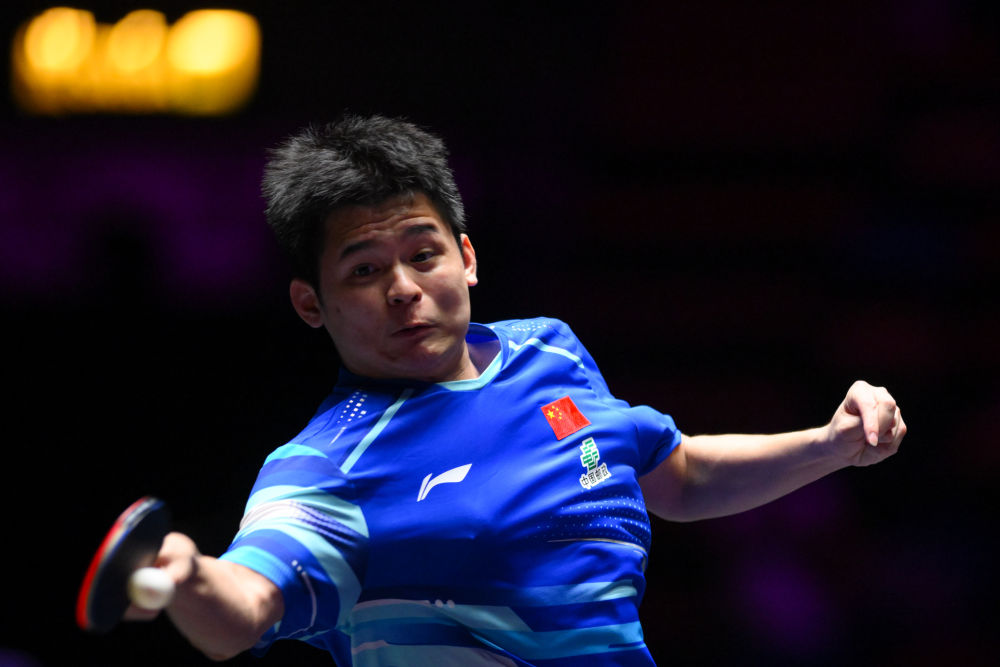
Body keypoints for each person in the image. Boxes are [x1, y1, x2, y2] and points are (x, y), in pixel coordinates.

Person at [127, 114, 906, 665]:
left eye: (422, 253)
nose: (403, 288)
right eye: (364, 270)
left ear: (465, 258)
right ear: (310, 303)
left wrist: (830, 444)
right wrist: (189, 573)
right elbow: (246, 608)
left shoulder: (548, 351)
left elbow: (679, 475)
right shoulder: (327, 463)